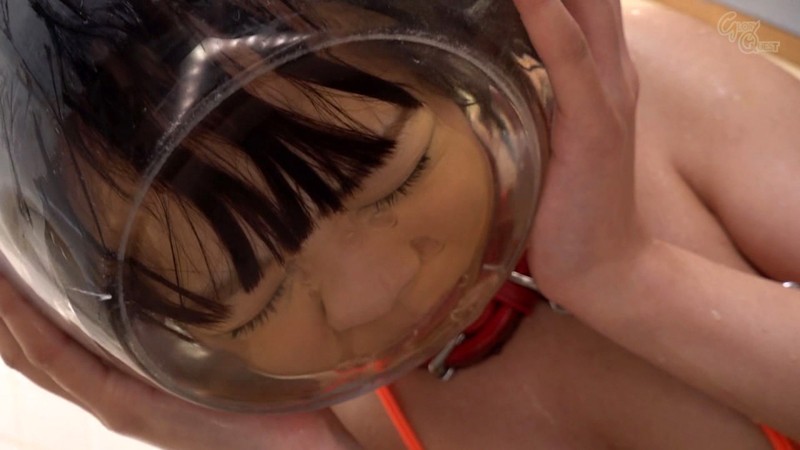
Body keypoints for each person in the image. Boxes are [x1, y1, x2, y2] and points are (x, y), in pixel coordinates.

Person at [2, 0, 800, 449]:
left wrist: (625, 274)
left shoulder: (656, 106)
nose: (370, 291)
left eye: (398, 174)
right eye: (251, 298)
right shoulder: (314, 417)